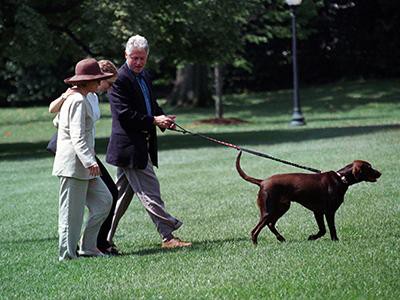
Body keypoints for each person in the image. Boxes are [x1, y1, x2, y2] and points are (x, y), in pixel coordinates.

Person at [106, 34, 192, 249]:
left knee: (117, 200)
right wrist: (154, 120)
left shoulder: (144, 76)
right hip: (129, 148)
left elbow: (151, 104)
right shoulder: (119, 79)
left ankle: (99, 240)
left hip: (141, 146)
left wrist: (164, 120)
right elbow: (124, 114)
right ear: (125, 55)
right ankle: (168, 235)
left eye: (142, 58)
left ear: (147, 57)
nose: (138, 62)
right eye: (134, 58)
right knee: (150, 191)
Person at [49, 60, 120, 255]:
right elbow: (76, 136)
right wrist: (90, 161)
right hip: (74, 164)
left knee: (105, 200)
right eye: (97, 79)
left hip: (85, 162)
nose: (100, 83)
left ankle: (89, 247)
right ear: (87, 81)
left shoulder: (87, 97)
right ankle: (67, 255)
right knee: (71, 214)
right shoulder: (77, 100)